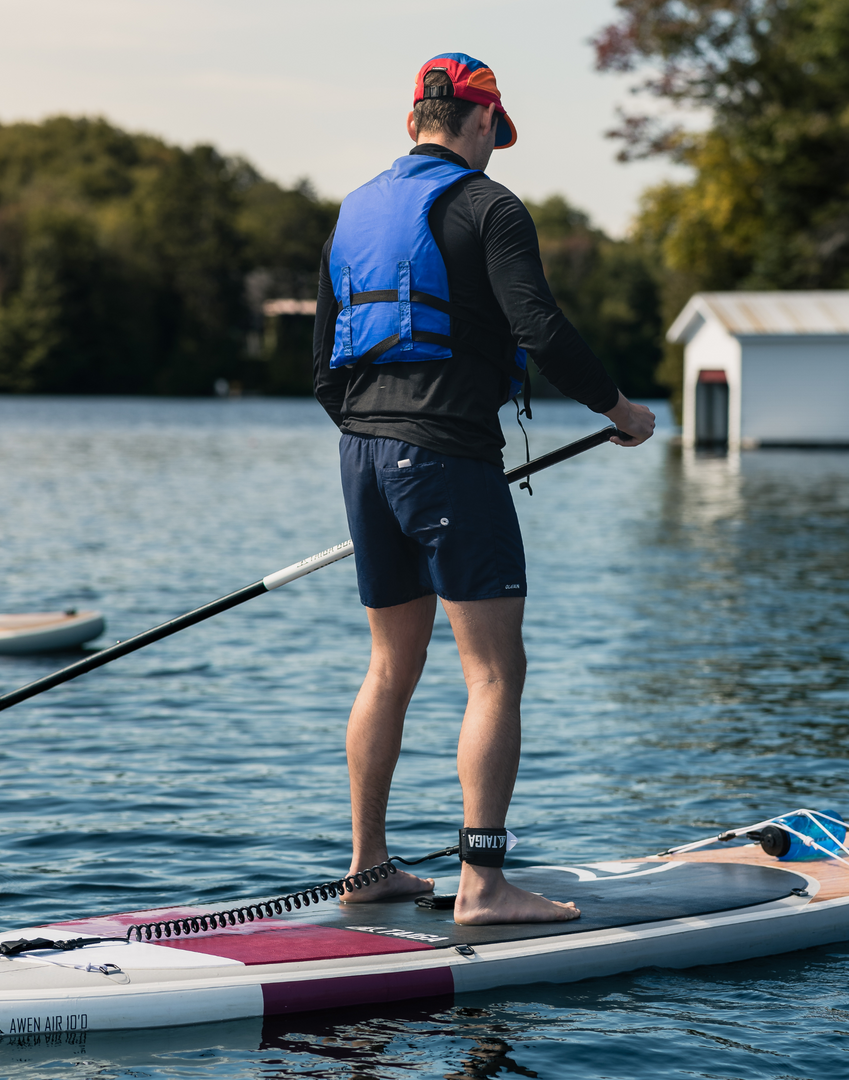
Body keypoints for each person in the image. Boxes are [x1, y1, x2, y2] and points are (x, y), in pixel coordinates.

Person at [313, 52, 655, 925]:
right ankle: (484, 885)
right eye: (493, 132)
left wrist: (381, 447)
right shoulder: (490, 206)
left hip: (361, 452)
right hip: (448, 457)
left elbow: (323, 369)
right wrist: (618, 408)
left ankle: (368, 868)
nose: (494, 150)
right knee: (496, 672)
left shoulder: (354, 210)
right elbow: (537, 326)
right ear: (474, 121)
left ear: (413, 119)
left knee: (389, 667)